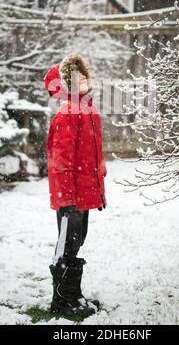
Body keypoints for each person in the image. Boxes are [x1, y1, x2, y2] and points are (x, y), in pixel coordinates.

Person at [43, 53, 107, 319]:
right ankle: (62, 300)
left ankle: (73, 293)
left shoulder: (87, 111)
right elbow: (61, 162)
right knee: (67, 246)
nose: (81, 80)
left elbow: (92, 156)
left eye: (83, 76)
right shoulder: (67, 115)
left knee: (77, 242)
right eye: (74, 77)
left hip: (85, 193)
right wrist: (67, 197)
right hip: (71, 195)